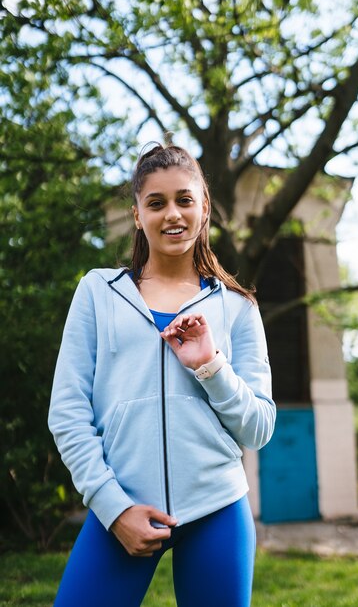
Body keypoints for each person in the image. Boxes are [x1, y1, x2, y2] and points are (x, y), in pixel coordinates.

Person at [48, 143, 276, 607]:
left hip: (217, 509)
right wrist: (114, 509)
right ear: (137, 214)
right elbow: (68, 414)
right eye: (156, 203)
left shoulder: (237, 308)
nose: (172, 214)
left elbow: (259, 428)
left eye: (184, 200)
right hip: (124, 508)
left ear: (204, 207)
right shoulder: (98, 292)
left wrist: (211, 367)